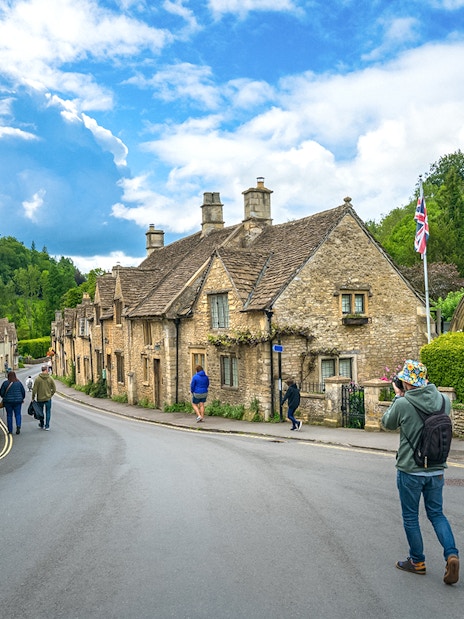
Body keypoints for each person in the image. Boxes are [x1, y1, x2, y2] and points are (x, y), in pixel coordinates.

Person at [381, 359, 459, 585]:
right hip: (436, 469)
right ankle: (451, 554)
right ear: (424, 380)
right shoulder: (444, 400)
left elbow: (387, 423)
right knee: (437, 514)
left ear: (406, 382)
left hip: (410, 469)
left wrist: (398, 396)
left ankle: (417, 561)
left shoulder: (403, 403)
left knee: (411, 517)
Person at [32, 364, 57, 430]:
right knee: (48, 411)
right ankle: (47, 426)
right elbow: (54, 389)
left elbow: (34, 389)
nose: (48, 371)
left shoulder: (37, 379)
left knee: (40, 412)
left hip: (40, 398)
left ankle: (42, 424)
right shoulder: (50, 378)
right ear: (46, 370)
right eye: (48, 370)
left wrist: (33, 397)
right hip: (48, 398)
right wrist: (50, 395)